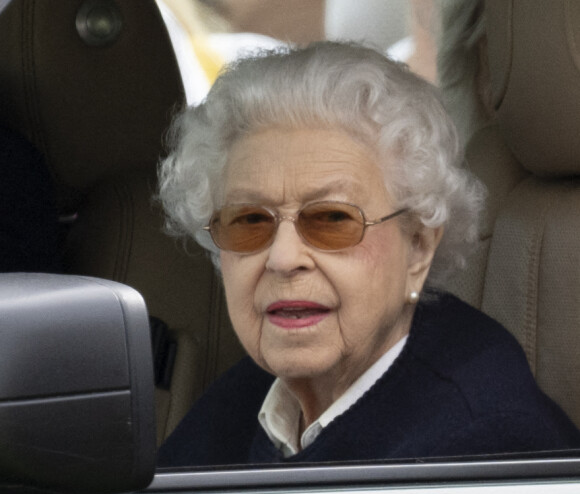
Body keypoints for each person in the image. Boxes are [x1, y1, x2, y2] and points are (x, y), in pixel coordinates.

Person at [157, 41, 580, 467]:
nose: (283, 258)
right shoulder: (256, 391)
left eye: (332, 219)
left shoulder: (479, 445)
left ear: (418, 247)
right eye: (250, 221)